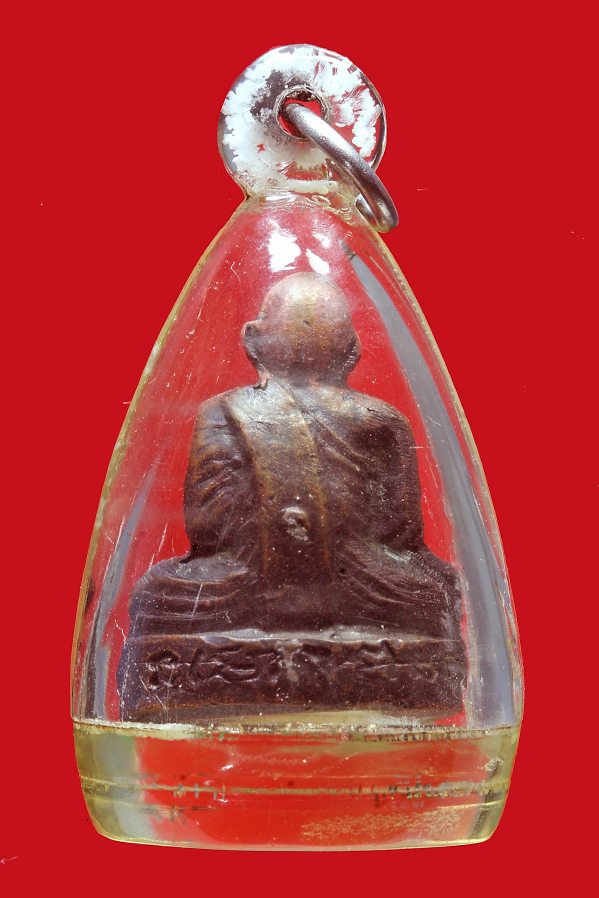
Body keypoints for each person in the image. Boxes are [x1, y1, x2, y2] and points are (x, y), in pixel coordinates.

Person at [118, 272, 465, 719]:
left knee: (155, 593)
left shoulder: (225, 412)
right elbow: (402, 532)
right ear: (352, 349)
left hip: (251, 586)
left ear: (254, 340)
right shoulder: (379, 419)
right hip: (361, 588)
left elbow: (207, 522)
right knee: (437, 590)